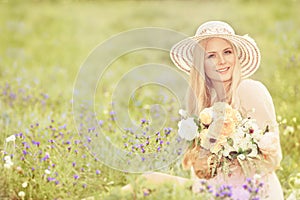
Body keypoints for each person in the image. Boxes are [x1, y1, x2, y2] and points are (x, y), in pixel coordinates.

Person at [123, 21, 283, 200]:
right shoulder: (206, 101)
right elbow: (200, 169)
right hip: (213, 189)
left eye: (227, 52)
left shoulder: (248, 90)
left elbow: (274, 159)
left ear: (236, 56)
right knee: (147, 180)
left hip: (250, 192)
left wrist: (232, 151)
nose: (221, 61)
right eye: (211, 56)